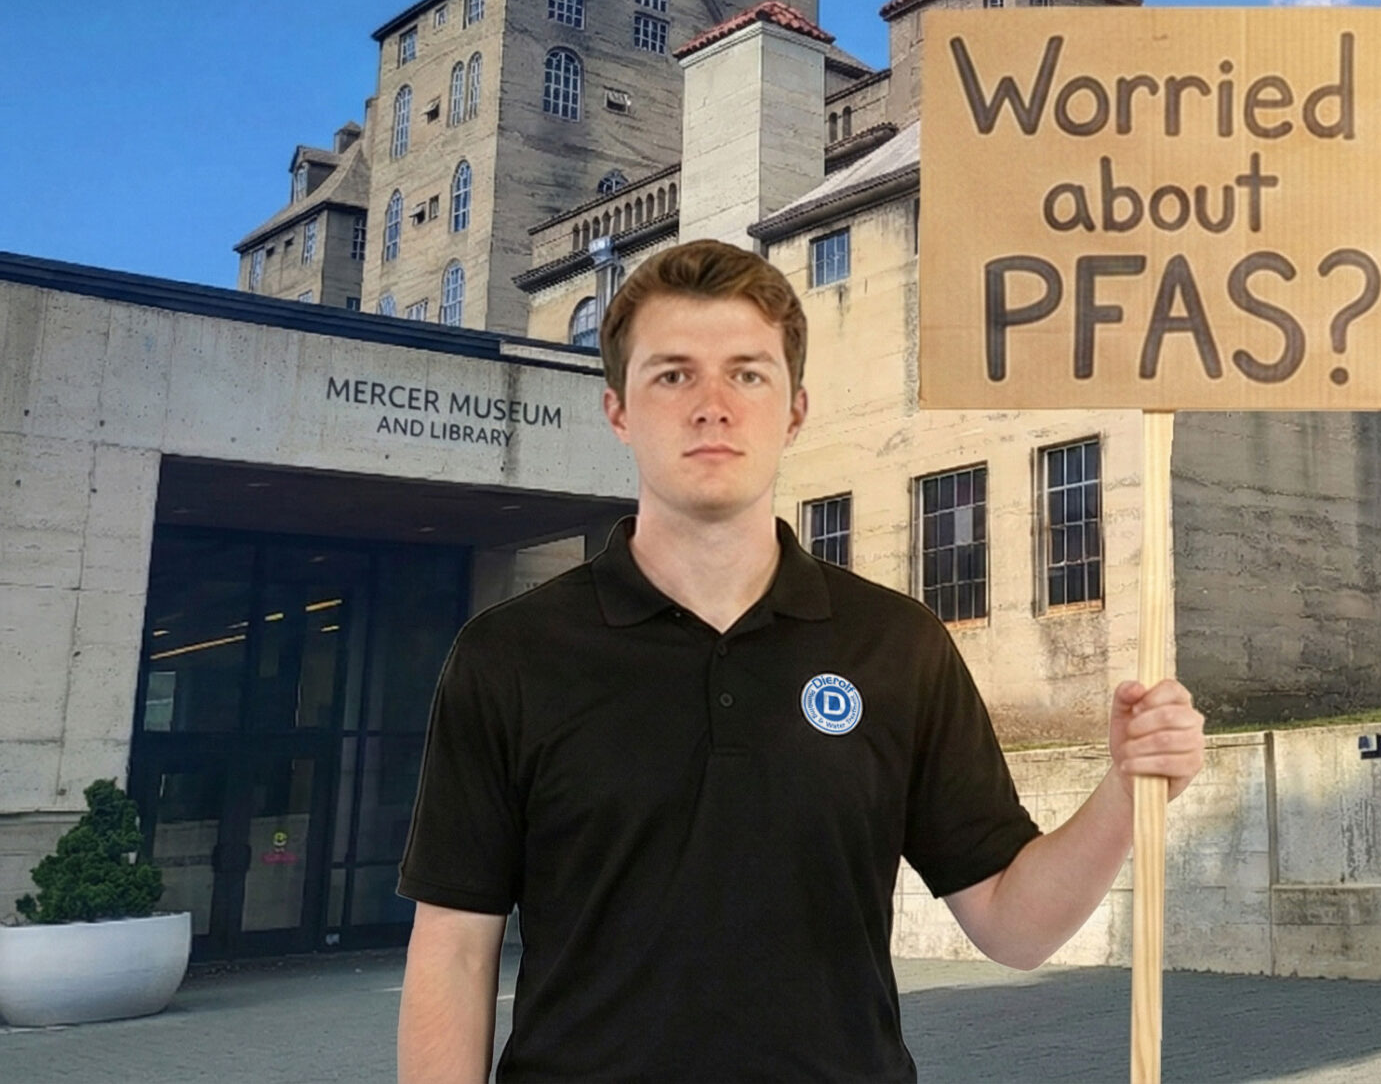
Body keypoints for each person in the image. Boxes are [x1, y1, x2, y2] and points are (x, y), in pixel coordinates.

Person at [395, 239, 1206, 1083]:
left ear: (794, 409)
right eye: (672, 374)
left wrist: (1123, 790)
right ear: (618, 412)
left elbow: (1014, 924)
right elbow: (454, 949)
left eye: (747, 374)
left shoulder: (896, 644)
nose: (712, 405)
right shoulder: (510, 656)